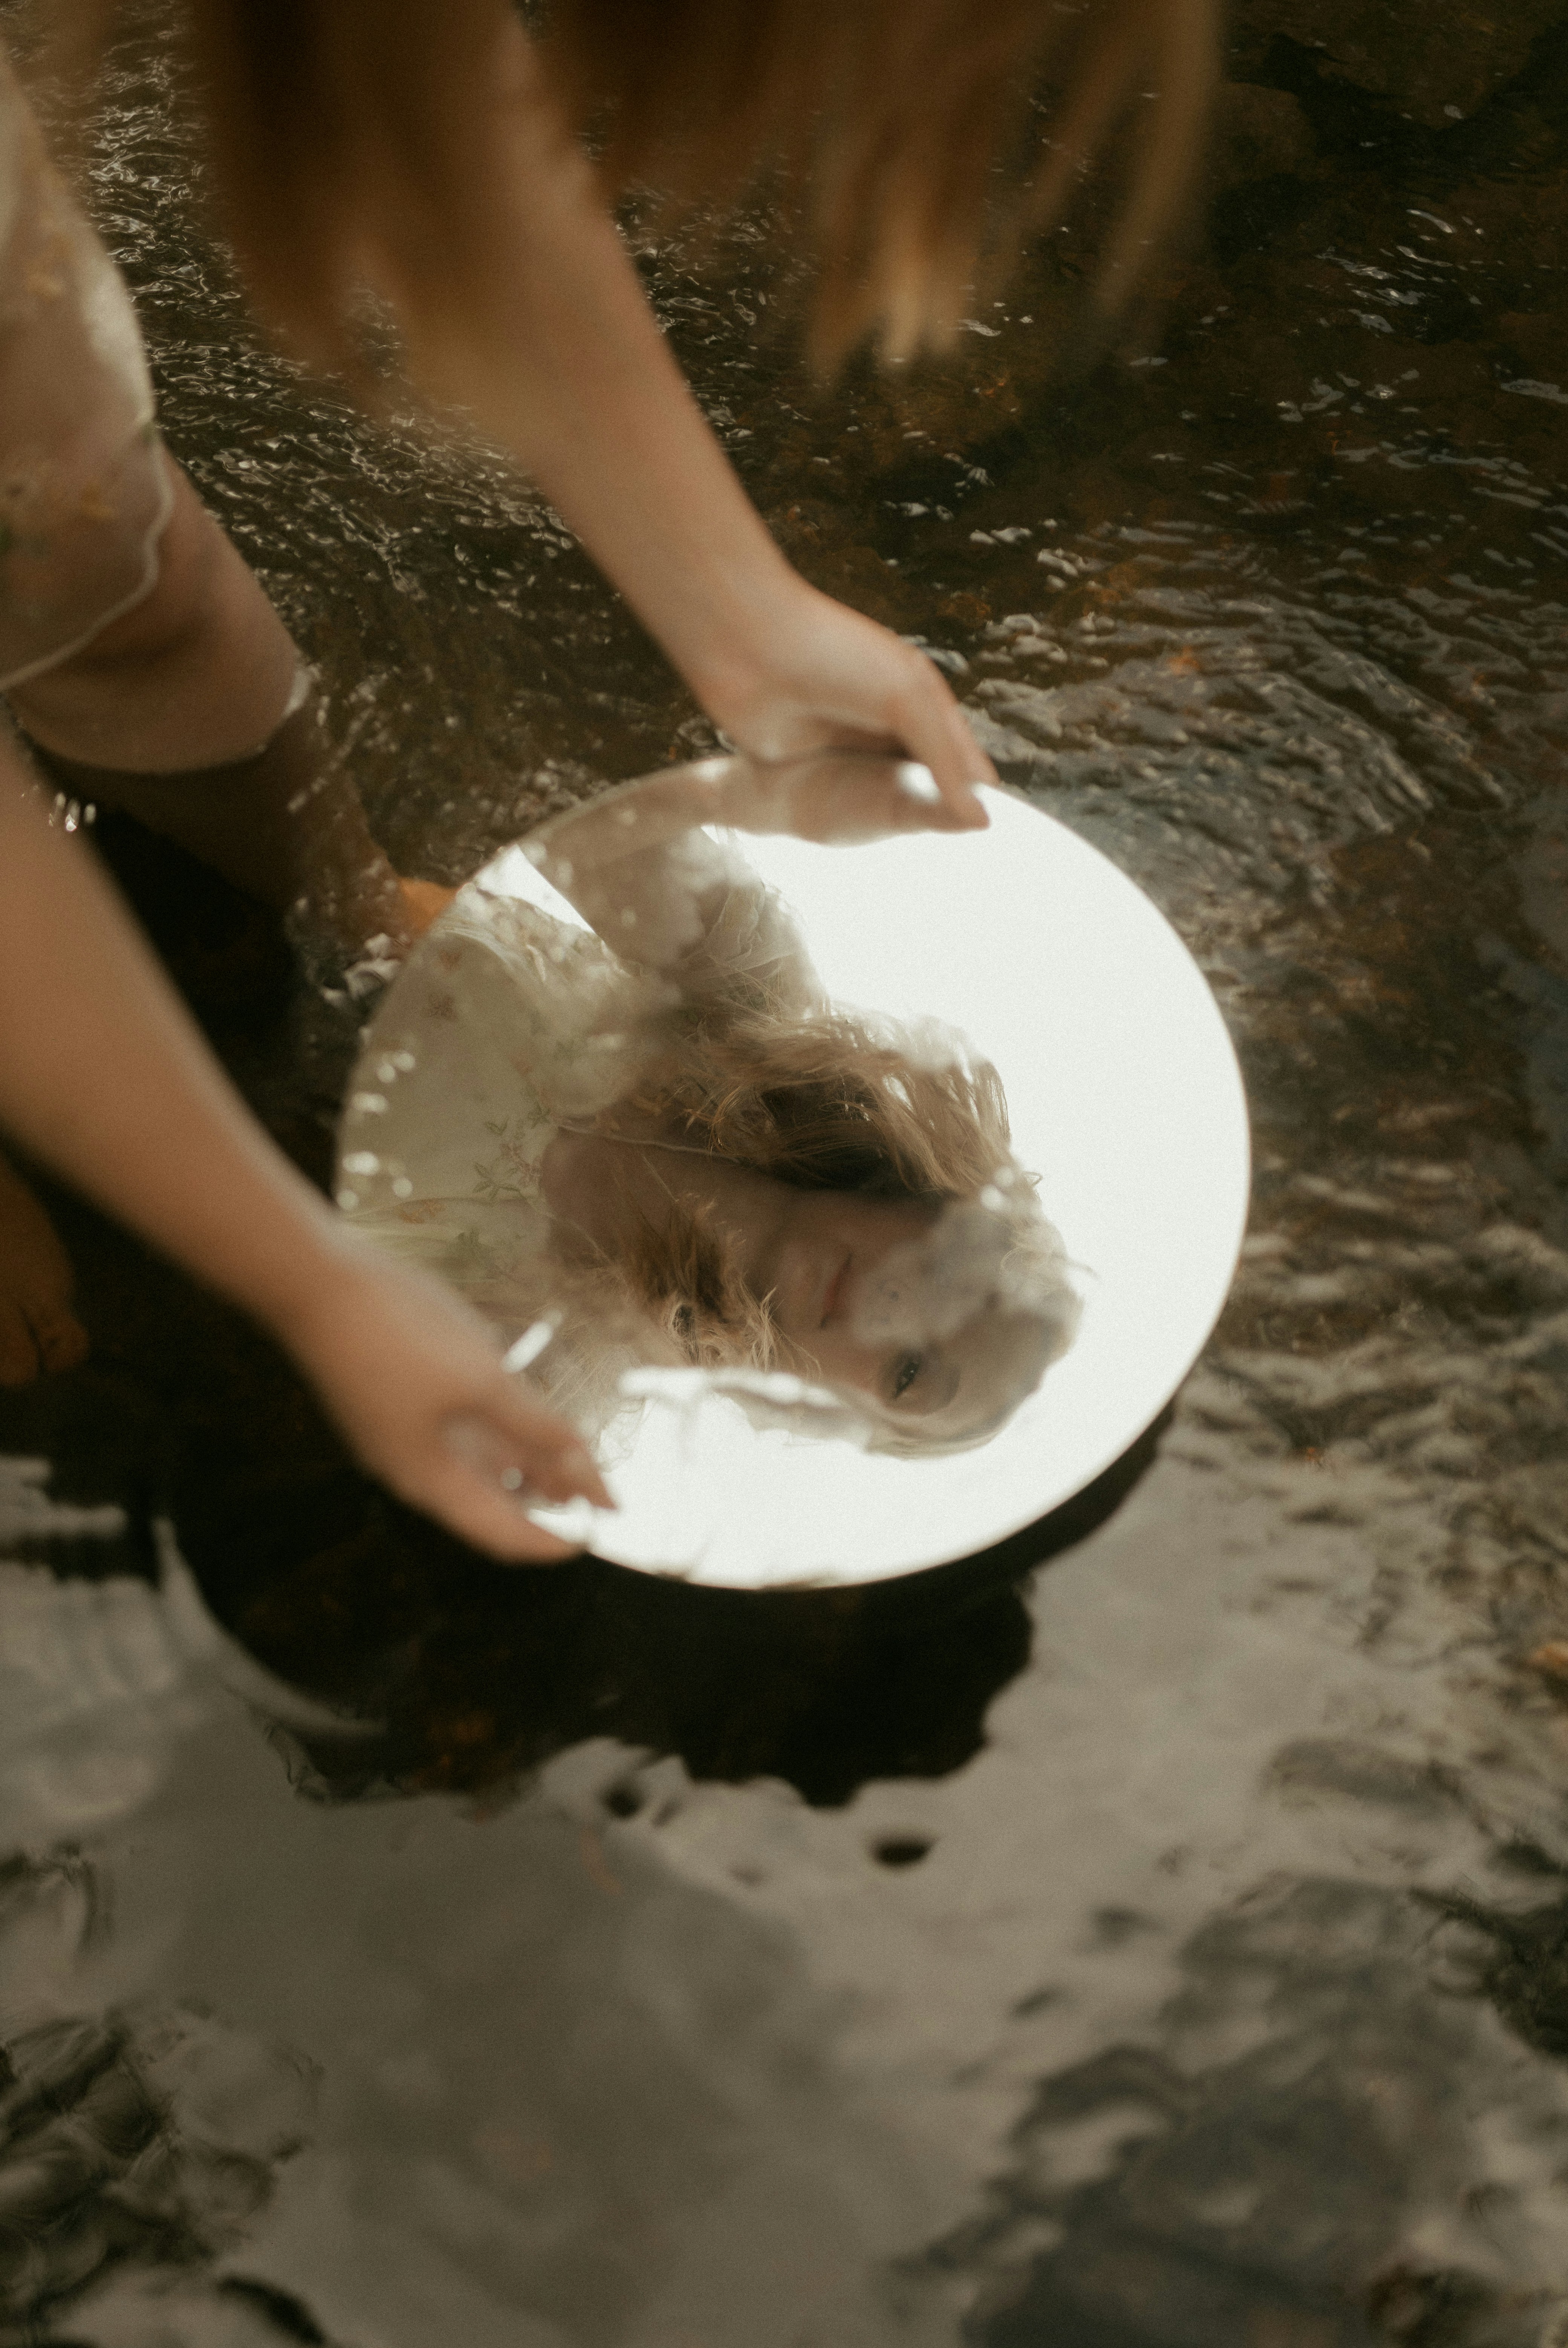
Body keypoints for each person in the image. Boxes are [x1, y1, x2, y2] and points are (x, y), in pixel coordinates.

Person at [0, 0, 1213, 1553]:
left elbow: (409, 75)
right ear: (927, 1179)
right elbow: (652, 881)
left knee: (121, 579)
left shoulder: (642, 1342)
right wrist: (302, 1286)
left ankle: (346, 895)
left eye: (908, 1365)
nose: (900, 1298)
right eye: (949, 1266)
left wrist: (744, 625)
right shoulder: (749, 1013)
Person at [342, 753, 1081, 1457]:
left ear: (830, 1416)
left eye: (909, 1374)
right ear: (929, 1203)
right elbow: (560, 792)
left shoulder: (557, 1383)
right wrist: (730, 791)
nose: (895, 1316)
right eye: (951, 1283)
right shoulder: (753, 1005)